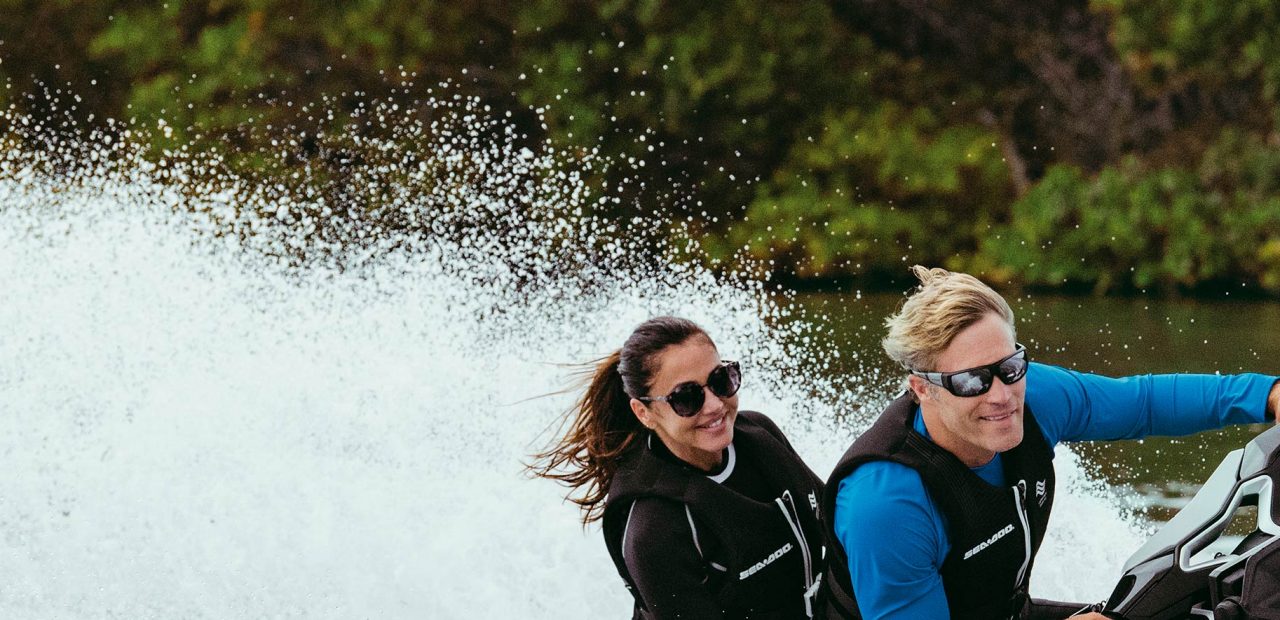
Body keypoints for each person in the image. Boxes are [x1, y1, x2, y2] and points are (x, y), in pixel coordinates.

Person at [821, 266, 1280, 620]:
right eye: (970, 381)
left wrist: (1267, 394)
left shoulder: (1032, 396)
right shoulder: (886, 505)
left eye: (1010, 367)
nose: (1001, 396)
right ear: (921, 389)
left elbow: (1142, 403)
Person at [530, 316, 828, 619]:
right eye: (686, 398)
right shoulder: (656, 530)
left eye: (720, 380)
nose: (714, 406)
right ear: (643, 412)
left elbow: (839, 529)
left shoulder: (761, 435)